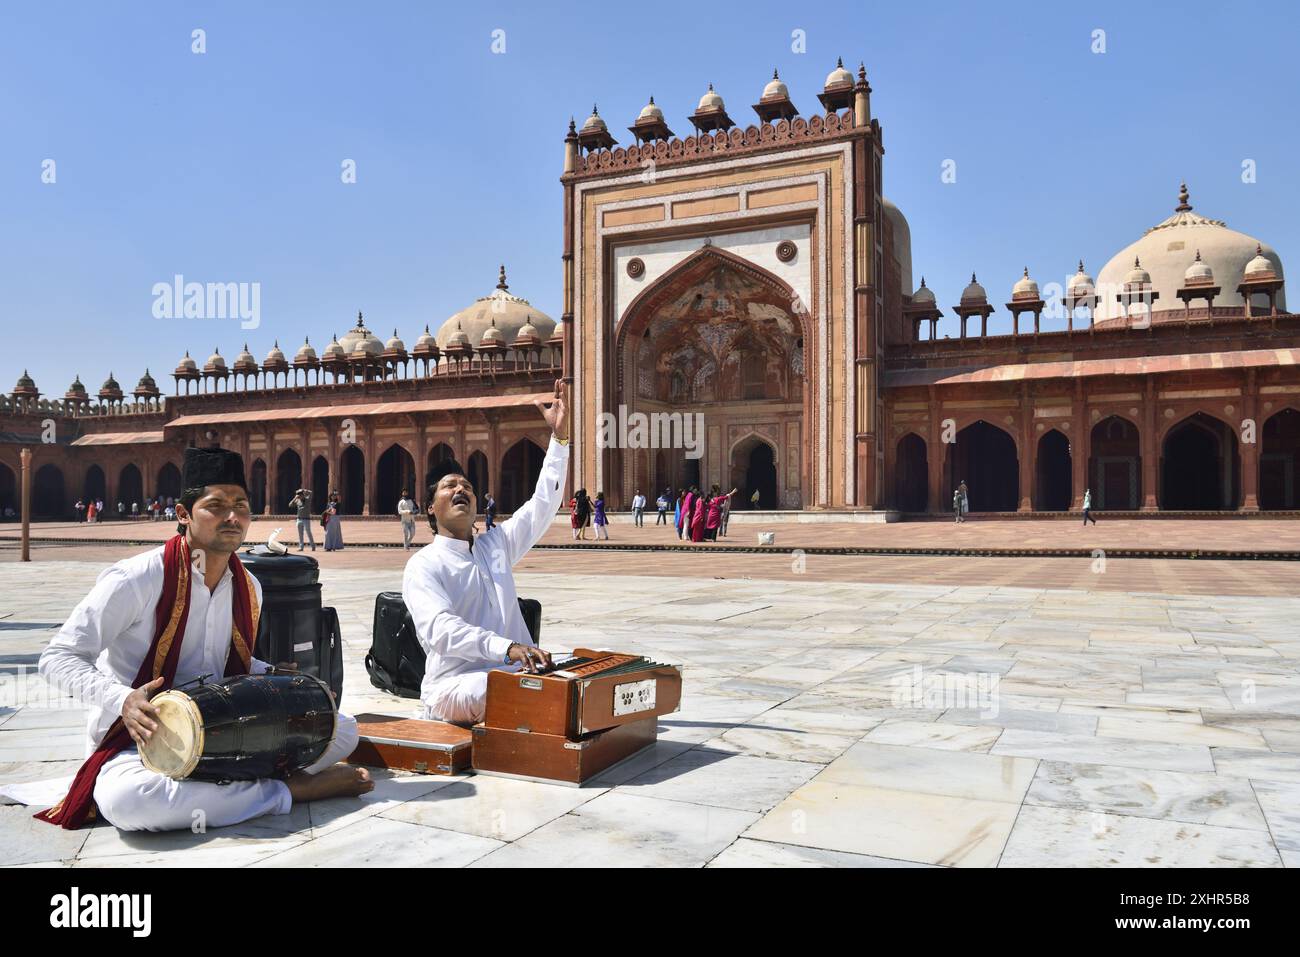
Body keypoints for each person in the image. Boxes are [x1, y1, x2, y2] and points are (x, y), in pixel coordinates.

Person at [32, 446, 370, 832]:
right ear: (183, 514)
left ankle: (231, 789)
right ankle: (287, 792)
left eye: (241, 505)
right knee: (128, 803)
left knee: (342, 730)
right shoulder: (137, 578)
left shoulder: (248, 586)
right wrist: (123, 699)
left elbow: (225, 664)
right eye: (216, 506)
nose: (232, 517)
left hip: (222, 731)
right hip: (141, 740)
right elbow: (57, 657)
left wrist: (270, 672)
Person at [401, 380, 568, 725]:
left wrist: (559, 441)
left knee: (571, 670)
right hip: (454, 687)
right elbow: (441, 630)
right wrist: (506, 648)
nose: (461, 489)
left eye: (468, 487)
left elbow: (542, 505)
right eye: (450, 486)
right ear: (430, 508)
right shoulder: (424, 565)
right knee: (503, 688)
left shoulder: (496, 546)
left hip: (513, 671)